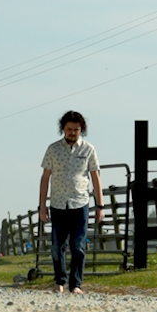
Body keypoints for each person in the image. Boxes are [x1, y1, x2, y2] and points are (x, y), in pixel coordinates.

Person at [38, 110, 101, 294]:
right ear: (63, 129)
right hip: (58, 204)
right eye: (69, 129)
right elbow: (45, 178)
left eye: (76, 129)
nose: (72, 133)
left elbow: (95, 177)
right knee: (57, 246)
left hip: (80, 203)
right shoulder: (53, 149)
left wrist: (100, 206)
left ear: (81, 130)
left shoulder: (88, 149)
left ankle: (76, 284)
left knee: (78, 246)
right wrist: (42, 206)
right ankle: (59, 281)